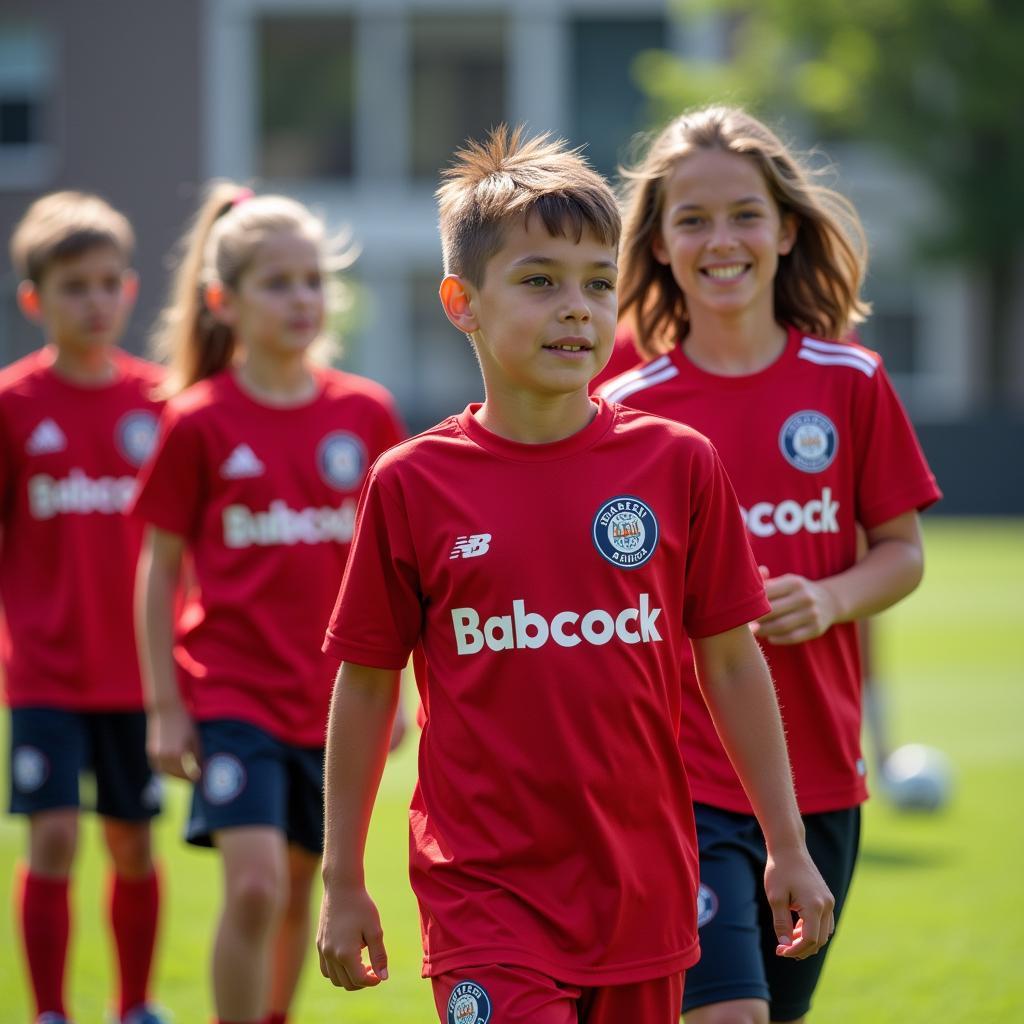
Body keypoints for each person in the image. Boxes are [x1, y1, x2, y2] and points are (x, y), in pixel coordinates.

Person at [316, 126, 834, 1024]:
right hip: (483, 895)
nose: (577, 308)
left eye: (598, 283)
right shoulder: (411, 483)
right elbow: (365, 688)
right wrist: (342, 879)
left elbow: (732, 662)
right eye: (540, 281)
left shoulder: (678, 464)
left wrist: (784, 845)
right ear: (462, 301)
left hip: (640, 887)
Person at [597, 105, 942, 1023]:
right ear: (660, 245)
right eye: (692, 219)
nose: (722, 239)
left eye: (744, 213)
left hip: (824, 777)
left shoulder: (850, 379)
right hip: (682, 770)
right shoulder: (624, 410)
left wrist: (830, 599)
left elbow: (902, 553)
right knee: (728, 1014)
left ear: (787, 229)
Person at [131, 184, 405, 1024]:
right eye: (277, 282)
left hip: (327, 702)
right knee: (251, 886)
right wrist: (166, 706)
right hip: (231, 693)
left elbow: (399, 572)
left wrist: (399, 697)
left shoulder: (364, 413)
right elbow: (157, 570)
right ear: (226, 301)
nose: (301, 299)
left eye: (313, 280)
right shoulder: (197, 421)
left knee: (296, 887)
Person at [2, 191, 166, 1024]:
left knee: (132, 842)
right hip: (44, 673)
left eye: (108, 283)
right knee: (55, 837)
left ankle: (135, 1005)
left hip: (139, 676)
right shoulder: (12, 406)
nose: (95, 301)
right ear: (35, 299)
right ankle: (49, 1012)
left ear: (130, 290)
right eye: (74, 287)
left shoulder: (162, 403)